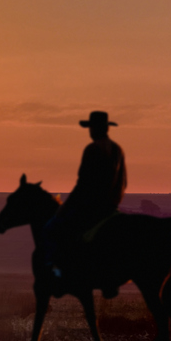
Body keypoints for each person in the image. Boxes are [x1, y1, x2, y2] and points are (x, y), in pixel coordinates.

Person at [44, 111, 127, 275]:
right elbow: (123, 182)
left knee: (52, 227)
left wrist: (64, 207)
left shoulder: (93, 149)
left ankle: (56, 269)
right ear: (107, 128)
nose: (90, 131)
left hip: (91, 207)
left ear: (95, 129)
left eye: (91, 127)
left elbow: (82, 184)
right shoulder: (118, 150)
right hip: (112, 207)